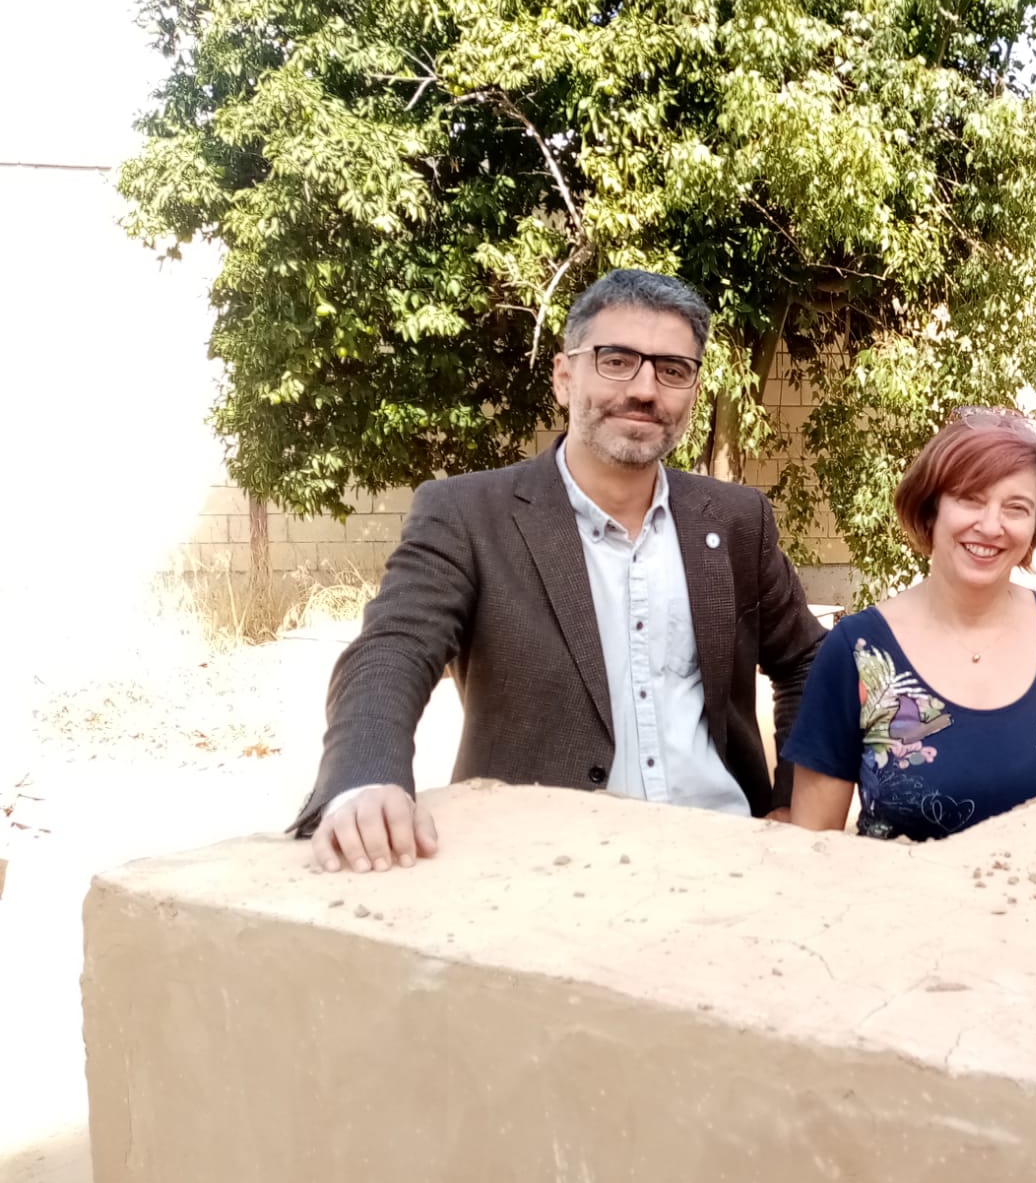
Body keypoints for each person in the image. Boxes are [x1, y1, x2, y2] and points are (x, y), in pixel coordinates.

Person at [297, 268, 825, 873]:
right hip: (542, 874)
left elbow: (807, 662)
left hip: (724, 858)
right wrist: (365, 781)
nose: (646, 390)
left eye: (672, 369)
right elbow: (391, 650)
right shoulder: (469, 515)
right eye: (616, 360)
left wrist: (794, 802)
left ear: (693, 390)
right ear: (563, 375)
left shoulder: (735, 519)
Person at [781, 407, 1036, 840]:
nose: (991, 525)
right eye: (971, 499)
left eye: (1016, 508)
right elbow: (813, 846)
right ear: (930, 508)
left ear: (1035, 525)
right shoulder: (857, 650)